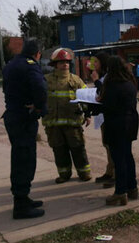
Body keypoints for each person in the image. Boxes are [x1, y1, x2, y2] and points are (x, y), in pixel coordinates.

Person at [2, 38, 47, 219]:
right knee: (24, 159)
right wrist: (38, 108)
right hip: (23, 118)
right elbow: (41, 88)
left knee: (20, 156)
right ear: (37, 54)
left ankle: (23, 198)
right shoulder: (30, 65)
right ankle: (20, 205)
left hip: (13, 116)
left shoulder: (12, 64)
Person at [42, 48, 92, 184]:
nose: (65, 64)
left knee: (78, 148)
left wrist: (87, 115)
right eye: (61, 62)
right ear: (54, 65)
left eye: (67, 62)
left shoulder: (76, 80)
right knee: (59, 150)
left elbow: (86, 98)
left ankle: (84, 173)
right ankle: (64, 174)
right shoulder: (45, 80)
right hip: (53, 123)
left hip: (73, 123)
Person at [98, 56, 139, 205]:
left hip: (116, 124)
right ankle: (132, 187)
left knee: (119, 159)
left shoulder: (112, 85)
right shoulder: (130, 82)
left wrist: (98, 101)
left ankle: (120, 192)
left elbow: (108, 106)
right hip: (130, 123)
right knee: (128, 156)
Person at [90, 52, 115, 188]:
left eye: (96, 62)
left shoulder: (109, 77)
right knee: (107, 145)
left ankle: (116, 174)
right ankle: (109, 171)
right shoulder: (102, 77)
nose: (94, 65)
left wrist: (96, 81)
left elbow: (105, 94)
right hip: (103, 116)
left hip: (109, 117)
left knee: (112, 146)